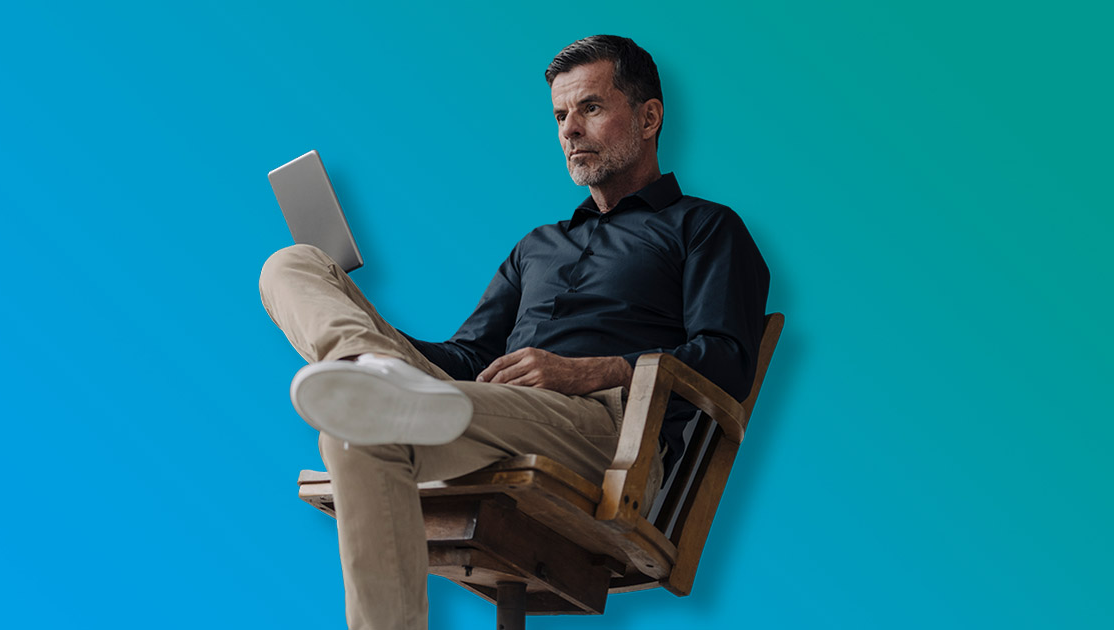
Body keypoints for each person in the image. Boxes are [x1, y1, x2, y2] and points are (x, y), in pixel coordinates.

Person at [258, 34, 769, 630]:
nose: (570, 130)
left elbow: (728, 359)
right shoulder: (538, 246)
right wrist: (371, 325)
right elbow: (466, 356)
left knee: (355, 420)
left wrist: (592, 371)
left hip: (606, 432)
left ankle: (372, 377)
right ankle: (366, 364)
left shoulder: (704, 227)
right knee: (291, 269)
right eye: (559, 115)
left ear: (649, 116)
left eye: (591, 108)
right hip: (496, 410)